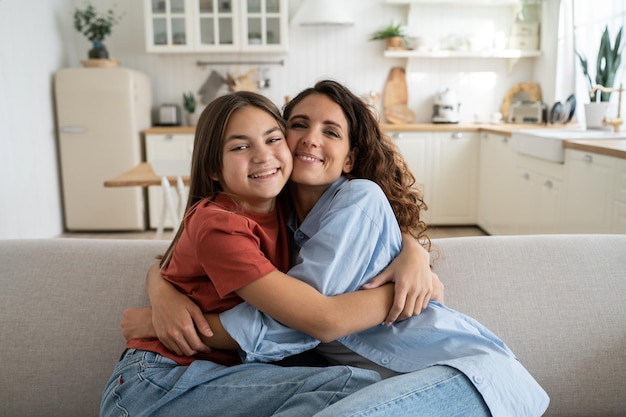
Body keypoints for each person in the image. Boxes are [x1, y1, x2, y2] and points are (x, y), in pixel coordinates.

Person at [131, 80, 550, 417]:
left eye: (330, 132)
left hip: (462, 374)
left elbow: (305, 321)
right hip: (388, 383)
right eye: (297, 125)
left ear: (349, 159)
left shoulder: (359, 198)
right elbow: (185, 255)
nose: (310, 139)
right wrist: (162, 290)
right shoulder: (271, 220)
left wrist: (156, 322)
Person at [101, 90, 434, 417]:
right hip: (158, 383)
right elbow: (322, 320)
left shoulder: (279, 203)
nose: (262, 156)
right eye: (241, 146)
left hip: (227, 376)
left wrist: (413, 252)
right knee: (351, 385)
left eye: (273, 139)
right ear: (214, 169)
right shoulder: (219, 224)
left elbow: (166, 262)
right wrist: (407, 293)